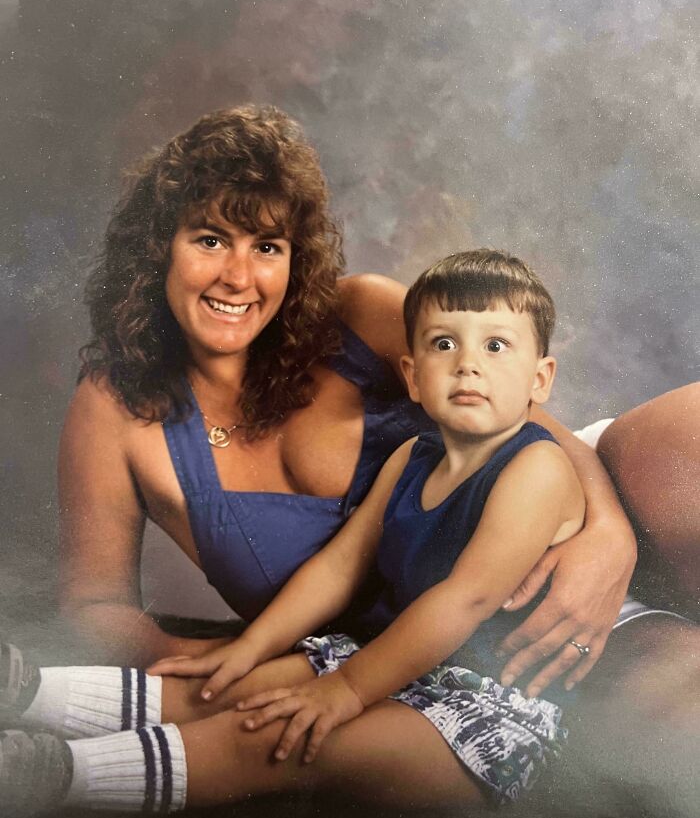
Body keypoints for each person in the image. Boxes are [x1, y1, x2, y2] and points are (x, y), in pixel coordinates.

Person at [0, 251, 694, 818]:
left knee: (288, 733)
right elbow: (339, 565)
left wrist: (347, 689)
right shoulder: (413, 456)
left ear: (540, 378)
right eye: (444, 345)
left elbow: (464, 601)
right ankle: (26, 689)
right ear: (412, 375)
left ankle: (59, 774)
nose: (469, 365)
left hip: (498, 707)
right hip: (404, 660)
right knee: (236, 684)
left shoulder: (538, 470)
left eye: (496, 347)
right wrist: (252, 645)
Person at [57, 103, 695, 707]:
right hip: (470, 648)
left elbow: (544, 434)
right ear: (157, 248)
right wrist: (202, 669)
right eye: (210, 240)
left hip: (572, 517)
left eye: (267, 246)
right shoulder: (116, 406)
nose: (239, 277)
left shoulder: (362, 311)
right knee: (679, 704)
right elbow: (94, 608)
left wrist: (610, 539)